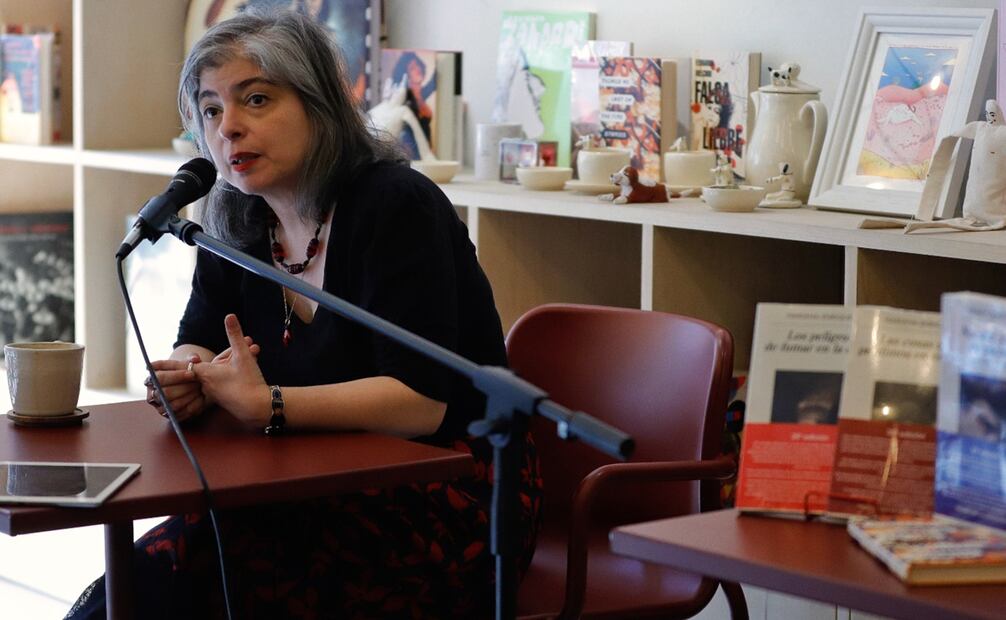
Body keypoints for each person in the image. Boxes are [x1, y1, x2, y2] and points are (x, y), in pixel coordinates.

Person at [66, 10, 542, 619]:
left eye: (255, 99)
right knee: (157, 574)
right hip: (304, 482)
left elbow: (423, 402)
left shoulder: (395, 206)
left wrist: (269, 404)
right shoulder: (232, 221)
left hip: (450, 494)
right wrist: (189, 376)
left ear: (319, 106)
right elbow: (200, 342)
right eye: (211, 110)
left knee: (207, 567)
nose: (228, 128)